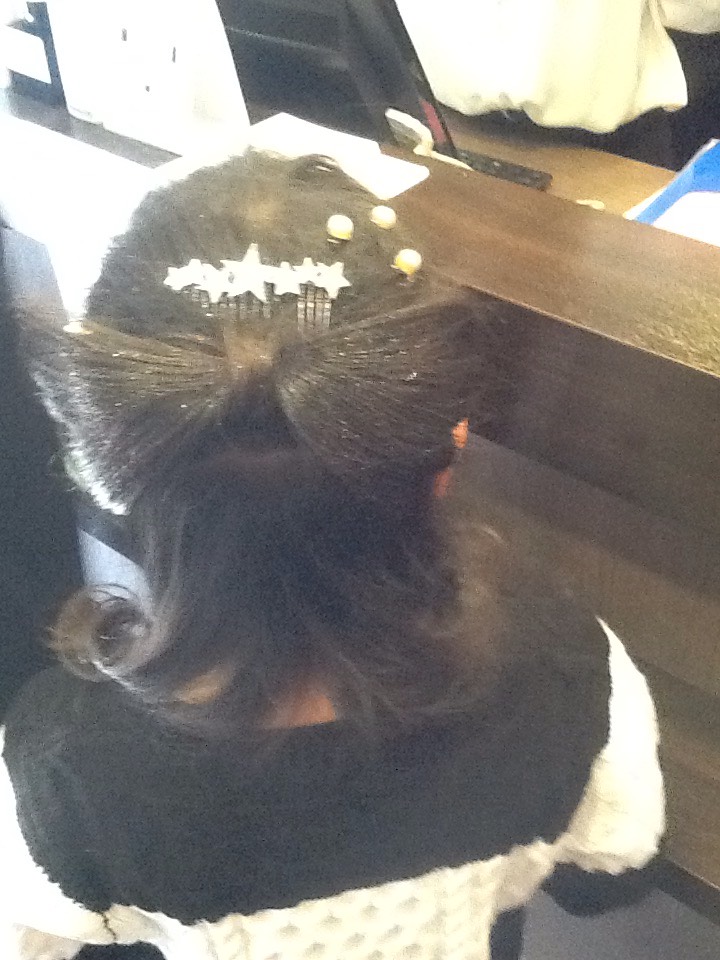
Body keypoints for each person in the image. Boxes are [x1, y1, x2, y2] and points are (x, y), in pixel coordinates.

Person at [0, 152, 664, 960]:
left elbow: (29, 938)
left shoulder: (68, 769)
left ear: (118, 467)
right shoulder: (569, 666)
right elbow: (609, 871)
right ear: (450, 447)